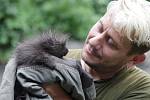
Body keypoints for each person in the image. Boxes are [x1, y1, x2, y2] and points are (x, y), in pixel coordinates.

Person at [1, 0, 150, 100]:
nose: (93, 40)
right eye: (100, 27)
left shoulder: (141, 88)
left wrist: (53, 90)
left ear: (135, 59)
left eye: (111, 42)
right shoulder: (59, 59)